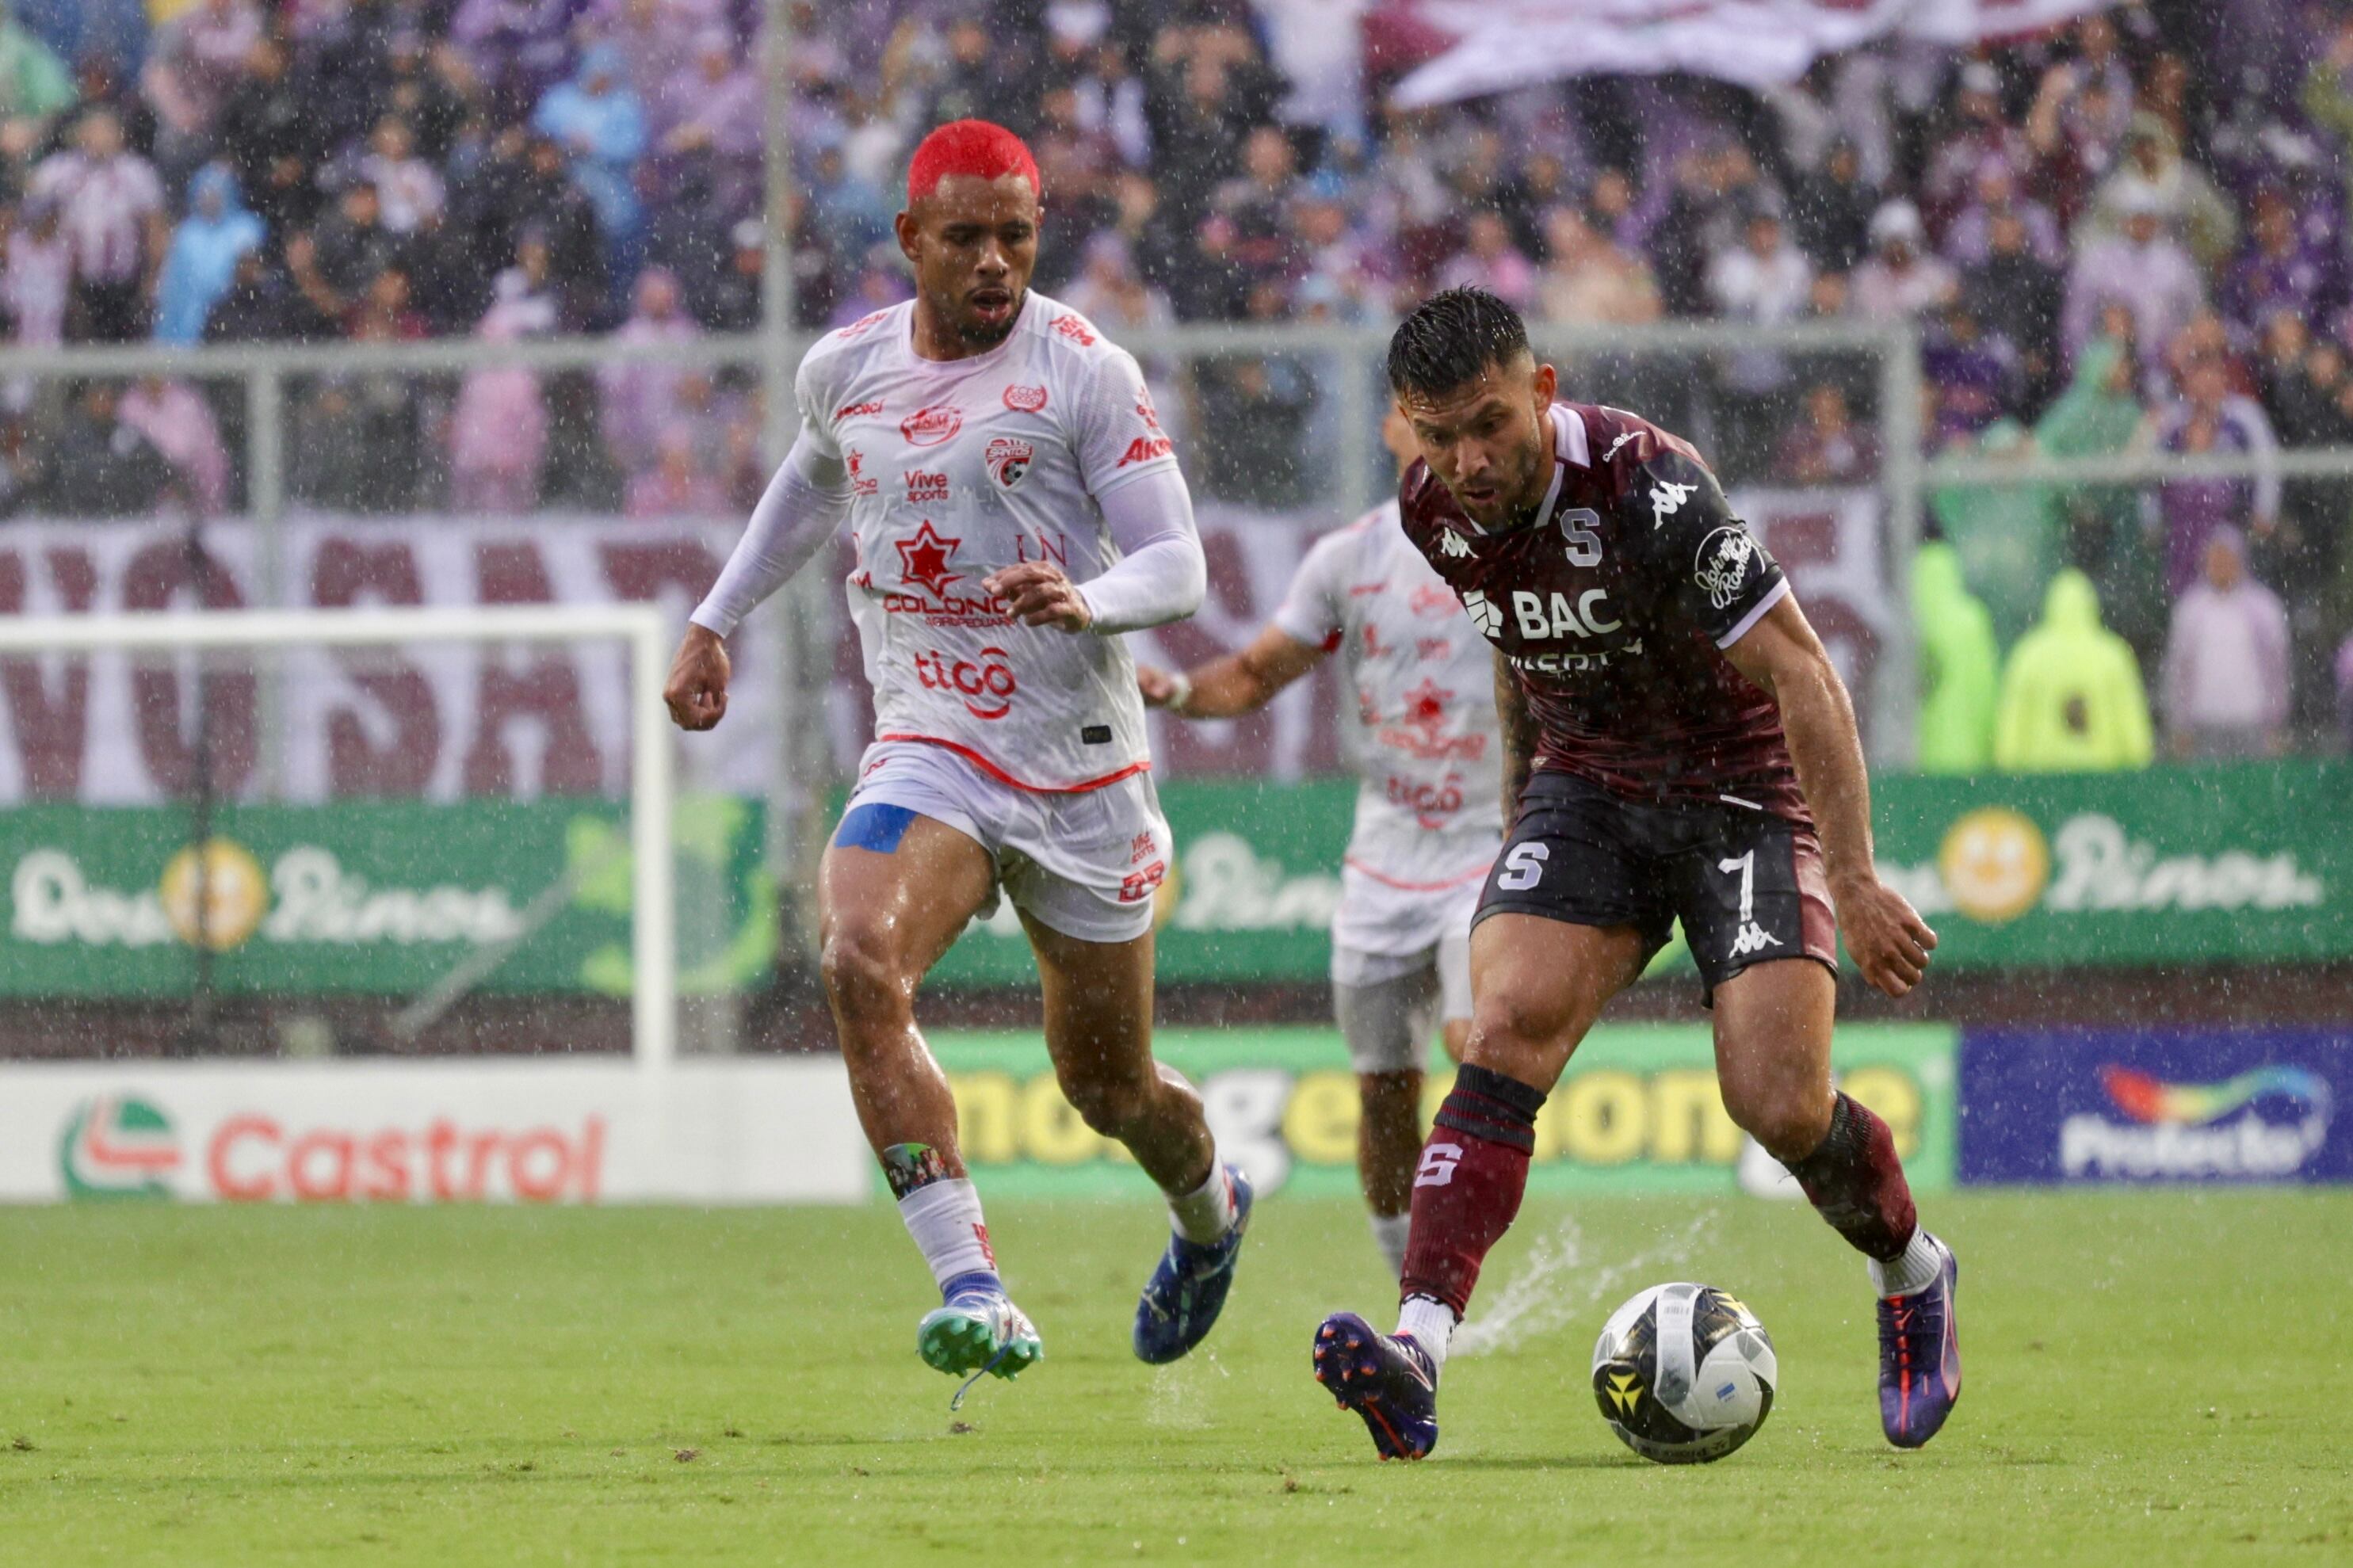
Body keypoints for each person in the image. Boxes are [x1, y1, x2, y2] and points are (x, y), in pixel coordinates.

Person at [1308, 288, 1954, 1462]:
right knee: (1498, 1031)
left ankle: (1911, 1271)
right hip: (1590, 789)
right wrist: (1519, 814)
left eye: (1489, 424)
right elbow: (1517, 645)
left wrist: (1854, 877)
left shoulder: (1648, 485)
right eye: (1437, 432)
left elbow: (1803, 675)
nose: (1468, 459)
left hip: (1737, 792)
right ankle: (1415, 1356)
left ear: (1541, 389)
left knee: (1777, 1103)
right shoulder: (1430, 512)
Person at [663, 121, 1242, 1391]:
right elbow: (809, 489)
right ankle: (975, 1284)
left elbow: (1177, 562)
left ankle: (1210, 1211)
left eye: (1017, 237)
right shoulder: (846, 368)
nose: (995, 262)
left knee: (1108, 1084)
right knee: (858, 953)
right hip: (931, 744)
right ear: (909, 239)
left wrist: (1092, 599)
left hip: (1079, 762)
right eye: (968, 237)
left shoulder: (1086, 369)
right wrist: (715, 617)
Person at [1136, 404, 1500, 1282]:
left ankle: (1455, 1252)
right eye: (1427, 423)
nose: (1447, 446)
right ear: (1390, 430)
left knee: (1477, 1041)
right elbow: (1259, 671)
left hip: (1491, 843)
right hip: (1384, 855)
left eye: (1464, 425)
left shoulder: (1514, 547)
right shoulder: (1350, 558)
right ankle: (1408, 1283)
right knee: (1382, 1095)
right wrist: (1178, 689)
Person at [1992, 569, 2154, 773]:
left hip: (2041, 782)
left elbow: (2012, 731)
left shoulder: (2029, 654)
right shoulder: (2112, 655)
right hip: (2103, 782)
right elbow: (2133, 730)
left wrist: (2007, 771)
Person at [2161, 528, 2291, 760]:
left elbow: (2277, 668)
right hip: (2204, 722)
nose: (2221, 566)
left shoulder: (2264, 608)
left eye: (2228, 559)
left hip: (2252, 721)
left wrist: (2275, 723)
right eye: (2215, 559)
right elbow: (2178, 670)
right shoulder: (2190, 610)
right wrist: (2180, 725)